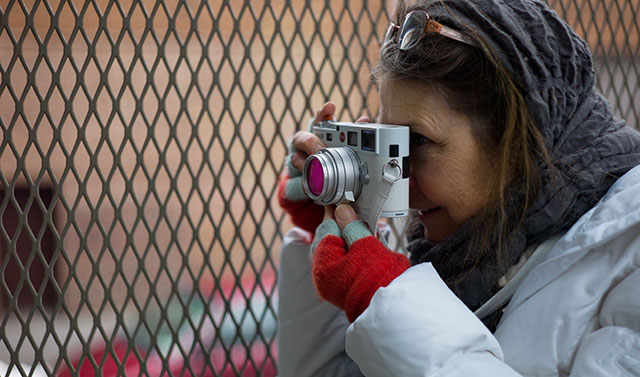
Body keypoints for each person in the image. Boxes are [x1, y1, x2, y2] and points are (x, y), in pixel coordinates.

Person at [276, 0, 640, 375]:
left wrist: (390, 300)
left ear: (519, 142)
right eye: (387, 142)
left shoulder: (630, 248)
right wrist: (324, 234)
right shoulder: (442, 245)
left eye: (416, 141)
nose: (398, 175)